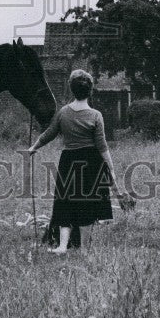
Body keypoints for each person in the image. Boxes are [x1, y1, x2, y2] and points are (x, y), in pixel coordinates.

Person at [28, 68, 125, 254]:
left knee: (65, 202)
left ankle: (62, 246)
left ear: (72, 90)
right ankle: (84, 250)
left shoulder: (63, 112)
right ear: (90, 91)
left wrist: (33, 148)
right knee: (87, 206)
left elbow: (49, 134)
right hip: (91, 164)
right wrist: (111, 169)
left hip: (69, 162)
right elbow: (102, 146)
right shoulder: (96, 115)